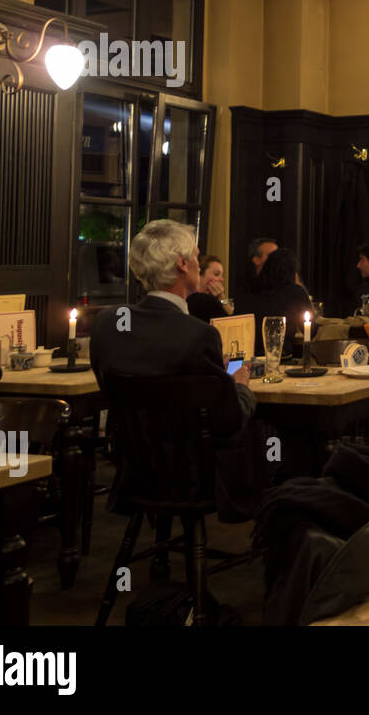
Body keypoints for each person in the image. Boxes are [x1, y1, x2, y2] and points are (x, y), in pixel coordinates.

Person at [90, 220, 266, 523]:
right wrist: (237, 383)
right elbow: (228, 419)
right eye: (197, 256)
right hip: (192, 477)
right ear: (183, 264)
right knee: (268, 432)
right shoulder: (197, 334)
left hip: (134, 470)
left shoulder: (107, 323)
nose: (199, 262)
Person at [236, 247, 314, 356]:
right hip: (279, 357)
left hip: (243, 357)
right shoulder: (294, 291)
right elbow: (311, 330)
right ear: (293, 271)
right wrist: (299, 285)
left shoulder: (245, 291)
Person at [187, 254, 231, 322]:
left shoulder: (187, 296)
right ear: (200, 274)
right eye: (216, 274)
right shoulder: (208, 301)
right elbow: (231, 320)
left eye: (222, 275)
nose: (222, 279)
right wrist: (222, 297)